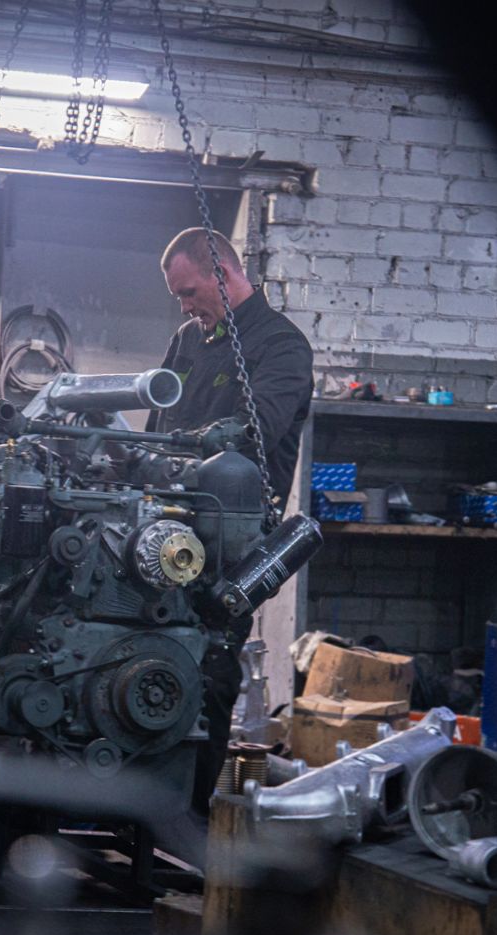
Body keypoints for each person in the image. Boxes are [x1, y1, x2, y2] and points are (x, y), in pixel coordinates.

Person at [147, 227, 314, 816]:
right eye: (178, 297)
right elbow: (156, 425)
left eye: (189, 292)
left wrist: (180, 455)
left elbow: (255, 432)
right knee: (147, 660)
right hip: (163, 532)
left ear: (222, 274)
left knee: (209, 673)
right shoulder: (187, 339)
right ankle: (136, 807)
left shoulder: (281, 346)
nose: (184, 307)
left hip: (228, 546)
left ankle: (185, 825)